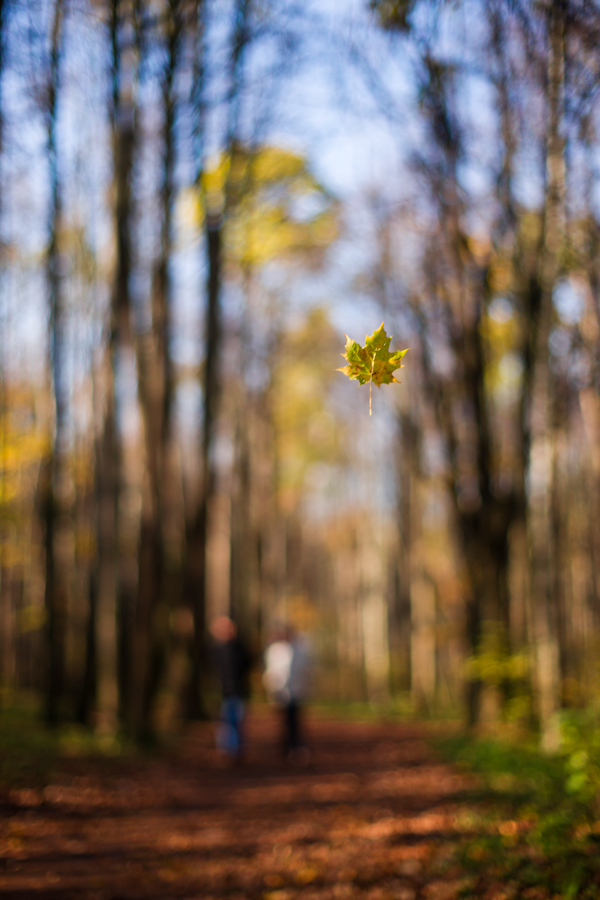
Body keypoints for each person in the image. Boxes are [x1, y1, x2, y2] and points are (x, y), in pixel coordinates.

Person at [263, 624, 311, 763]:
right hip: (280, 692)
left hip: (296, 692)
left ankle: (296, 747)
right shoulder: (274, 651)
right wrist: (273, 688)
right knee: (283, 722)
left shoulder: (299, 650)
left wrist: (304, 687)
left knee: (295, 721)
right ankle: (285, 748)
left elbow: (304, 671)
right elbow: (271, 672)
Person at [209, 616, 251, 763]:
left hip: (238, 691)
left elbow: (247, 666)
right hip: (221, 693)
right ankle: (226, 750)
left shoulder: (240, 648)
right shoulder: (214, 649)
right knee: (224, 723)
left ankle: (236, 751)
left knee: (237, 722)